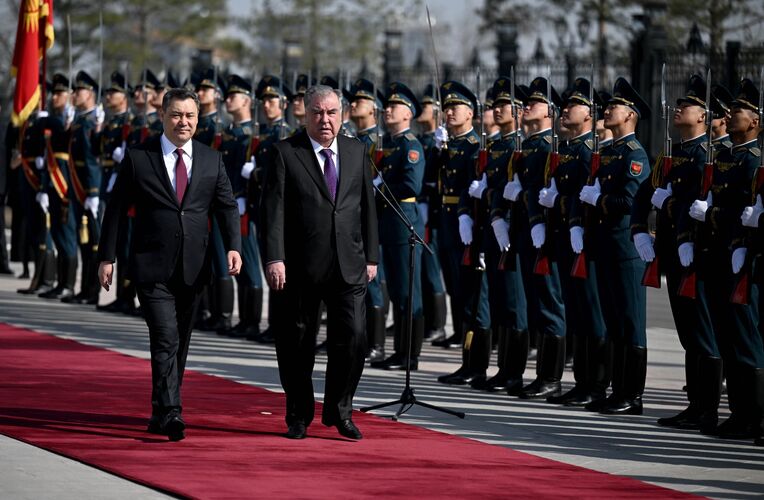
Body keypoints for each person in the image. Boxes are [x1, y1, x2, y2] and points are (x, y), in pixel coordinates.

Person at [97, 88, 242, 441]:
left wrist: (233, 247)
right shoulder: (139, 157)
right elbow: (116, 209)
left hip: (194, 266)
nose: (183, 122)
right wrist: (106, 257)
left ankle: (159, 410)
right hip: (151, 264)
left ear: (198, 119)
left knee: (180, 341)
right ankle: (173, 410)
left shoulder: (211, 159)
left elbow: (226, 206)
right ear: (162, 116)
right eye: (176, 115)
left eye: (190, 116)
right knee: (165, 336)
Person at [260, 85, 378, 441]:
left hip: (349, 262)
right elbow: (272, 211)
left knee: (354, 337)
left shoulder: (357, 151)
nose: (325, 120)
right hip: (300, 265)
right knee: (297, 342)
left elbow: (367, 208)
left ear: (342, 114)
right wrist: (275, 258)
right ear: (305, 114)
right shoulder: (285, 152)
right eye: (317, 112)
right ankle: (298, 415)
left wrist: (371, 256)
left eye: (331, 112)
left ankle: (340, 411)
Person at [580, 78, 650, 415]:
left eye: (614, 106)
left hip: (625, 250)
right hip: (605, 247)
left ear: (631, 115)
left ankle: (632, 395)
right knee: (614, 322)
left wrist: (599, 199)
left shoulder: (635, 154)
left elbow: (630, 201)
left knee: (630, 322)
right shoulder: (608, 153)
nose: (607, 110)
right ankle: (616, 389)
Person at [369, 81, 425, 370]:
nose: (388, 110)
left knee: (407, 292)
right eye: (387, 105)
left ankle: (409, 355)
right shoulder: (389, 145)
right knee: (396, 290)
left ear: (408, 114)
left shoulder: (410, 146)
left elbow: (411, 185)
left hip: (404, 223)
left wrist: (380, 187)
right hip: (388, 224)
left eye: (395, 106)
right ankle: (400, 351)